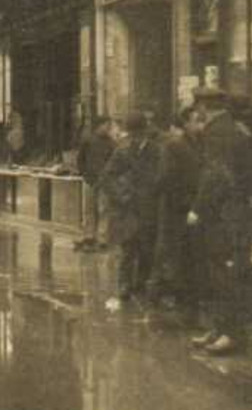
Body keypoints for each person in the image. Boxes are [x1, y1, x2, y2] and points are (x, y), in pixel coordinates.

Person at [190, 86, 252, 357]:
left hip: (226, 215)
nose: (197, 111)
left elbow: (215, 175)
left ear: (203, 107)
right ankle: (221, 329)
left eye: (198, 106)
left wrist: (198, 207)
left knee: (225, 275)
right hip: (234, 211)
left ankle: (232, 334)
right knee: (221, 273)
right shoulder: (234, 129)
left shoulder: (218, 132)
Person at [149, 107, 202, 311]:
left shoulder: (198, 143)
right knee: (168, 252)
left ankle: (178, 298)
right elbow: (165, 177)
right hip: (174, 208)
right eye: (196, 120)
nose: (200, 125)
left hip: (190, 207)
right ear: (186, 123)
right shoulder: (175, 146)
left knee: (182, 254)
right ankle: (157, 295)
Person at [109, 112, 162, 300]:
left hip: (149, 206)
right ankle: (124, 285)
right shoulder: (122, 151)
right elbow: (109, 177)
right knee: (128, 247)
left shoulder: (157, 151)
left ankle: (141, 283)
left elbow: (161, 176)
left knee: (147, 248)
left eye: (137, 134)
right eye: (132, 134)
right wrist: (122, 194)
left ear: (145, 132)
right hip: (129, 207)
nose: (134, 138)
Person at [74, 117, 116, 250]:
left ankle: (101, 238)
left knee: (102, 209)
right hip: (90, 180)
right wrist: (84, 173)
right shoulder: (88, 141)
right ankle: (89, 236)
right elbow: (80, 159)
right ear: (99, 126)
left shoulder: (111, 143)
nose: (108, 128)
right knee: (90, 209)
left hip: (102, 181)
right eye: (106, 125)